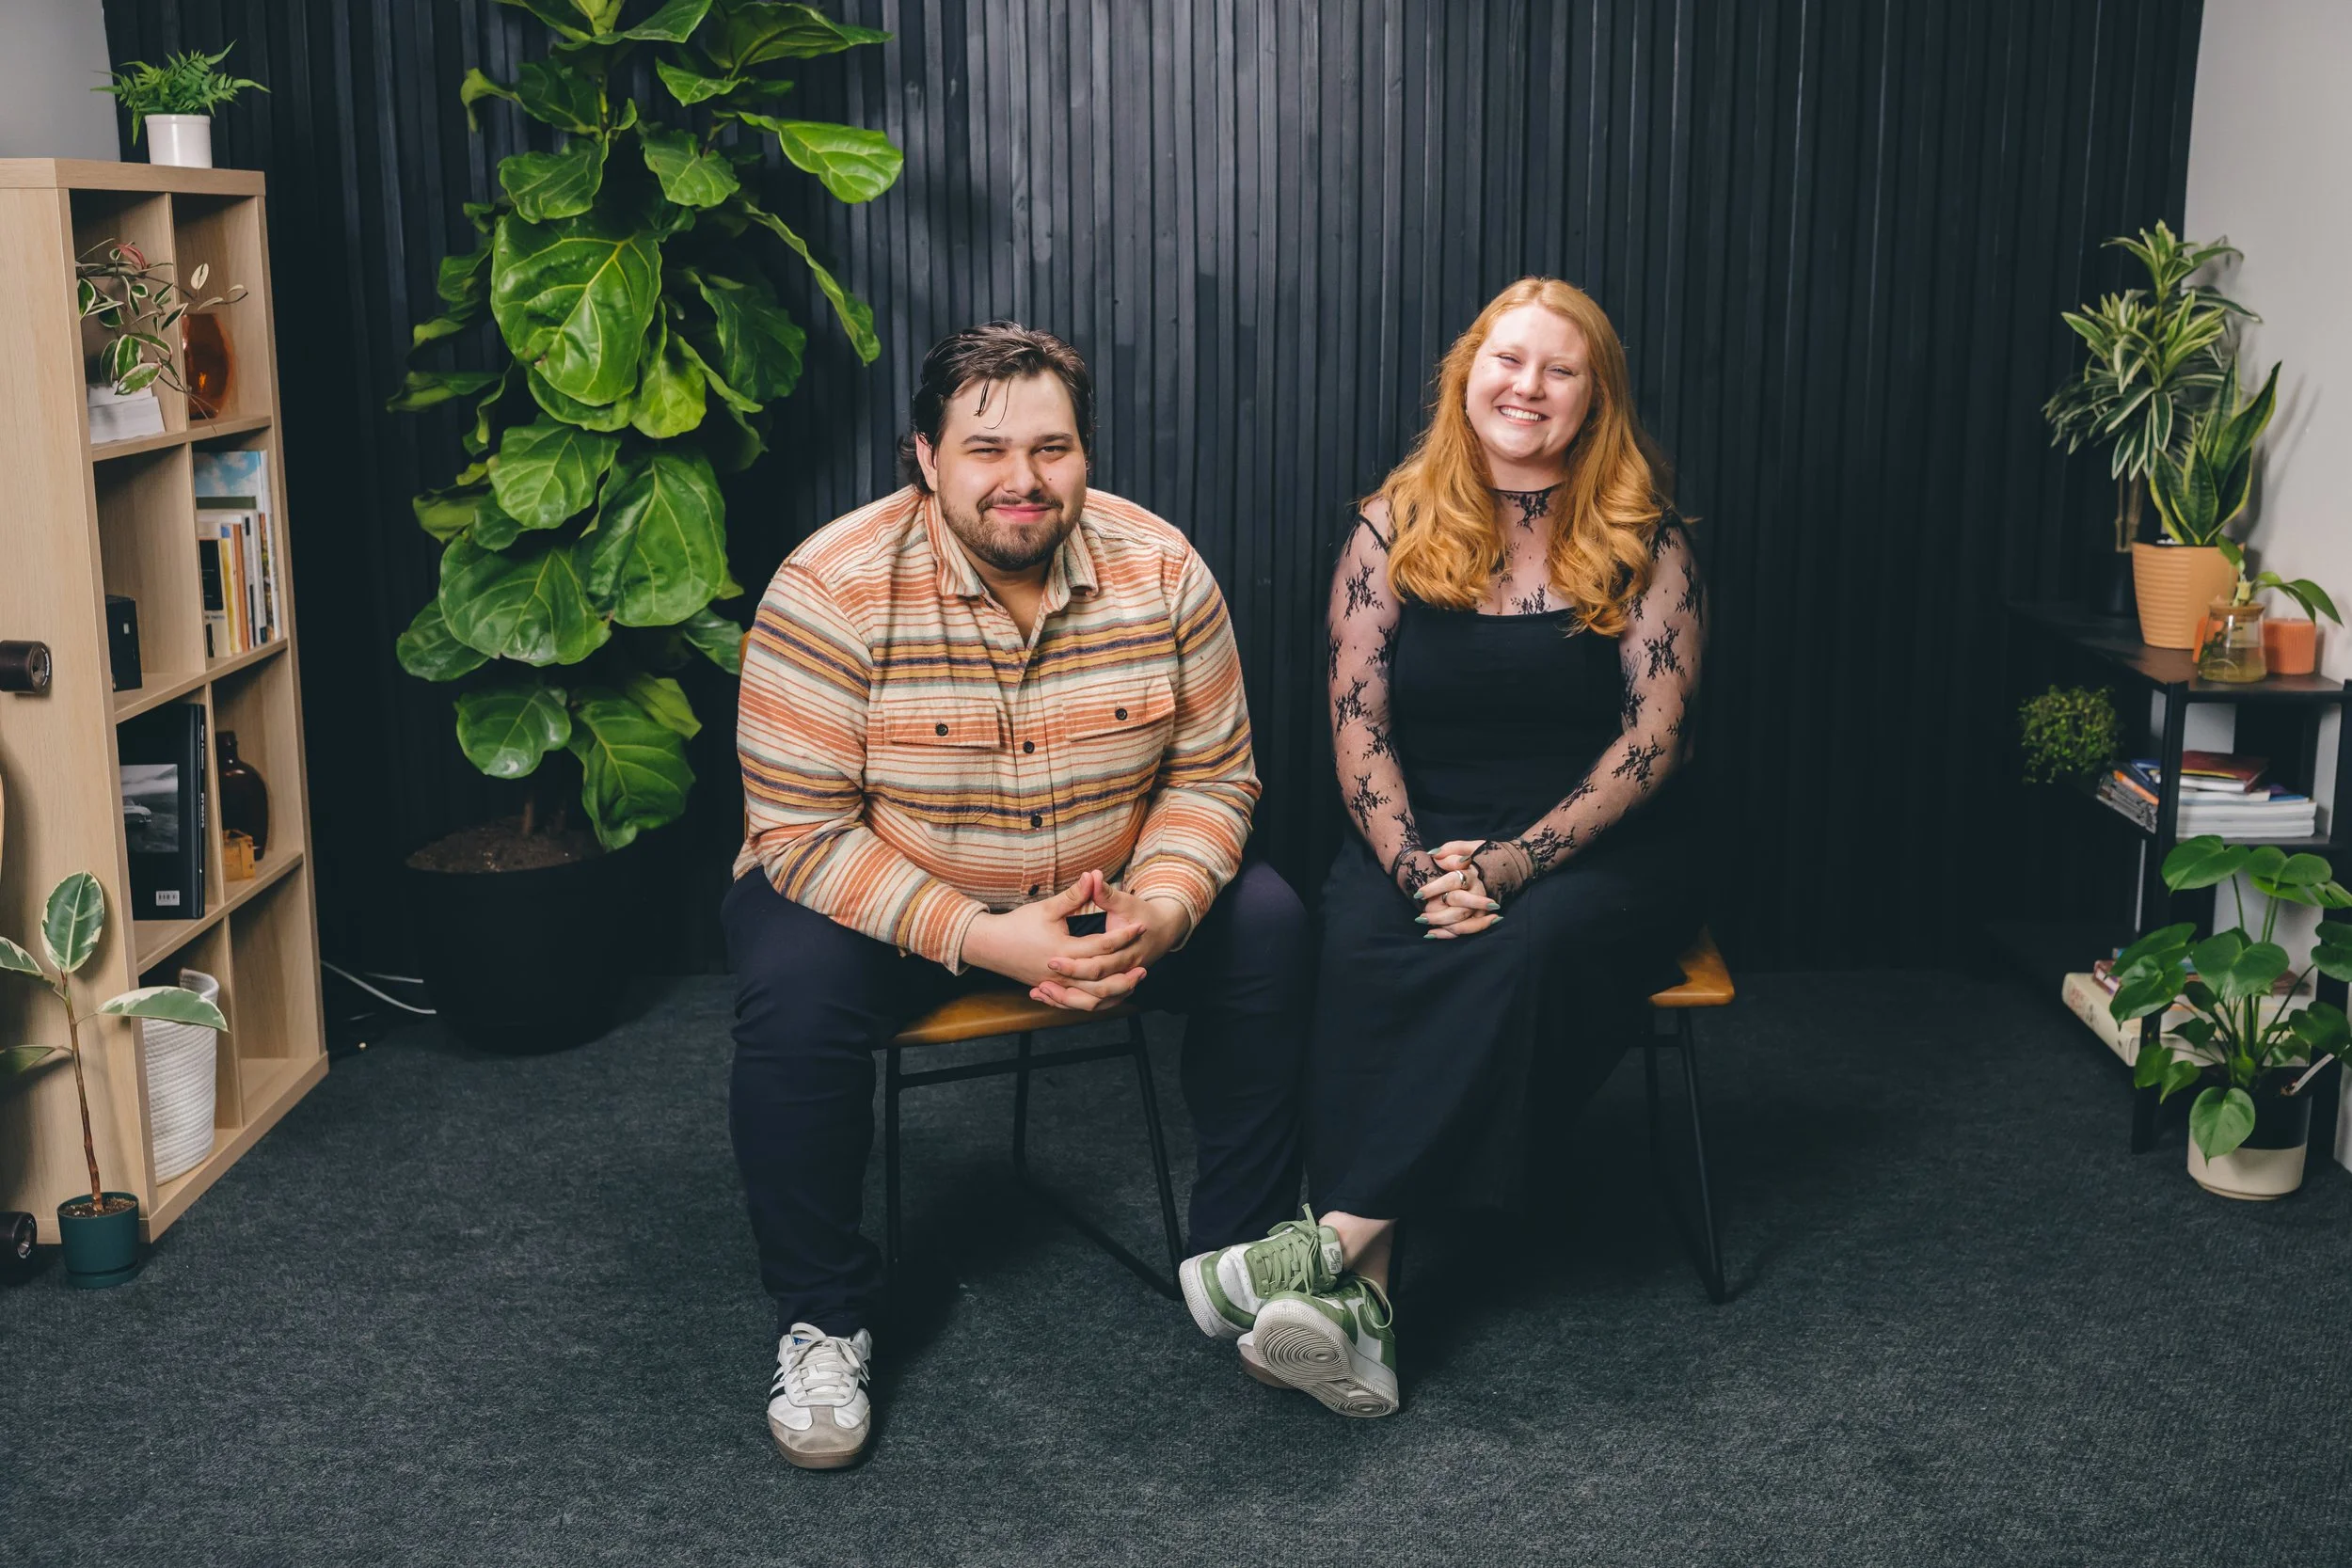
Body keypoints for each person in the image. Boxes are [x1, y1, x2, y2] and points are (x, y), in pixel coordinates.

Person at [725, 322, 1311, 1469]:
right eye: (985, 447)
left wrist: (1162, 904)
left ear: (1084, 455)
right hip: (888, 902)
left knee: (1273, 923)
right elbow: (801, 832)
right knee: (790, 988)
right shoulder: (827, 586)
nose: (1022, 480)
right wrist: (984, 936)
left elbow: (1213, 774)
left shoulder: (1163, 567)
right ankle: (823, 1317)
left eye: (1051, 448)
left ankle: (1238, 1258)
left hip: (1108, 893)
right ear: (925, 456)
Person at [1184, 277, 1708, 1418]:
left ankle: (1322, 1242)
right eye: (1505, 360)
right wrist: (1423, 865)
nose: (1526, 387)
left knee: (1518, 949)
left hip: (1598, 842)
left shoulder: (1642, 538)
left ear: (1594, 397)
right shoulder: (1393, 520)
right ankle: (1357, 1315)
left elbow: (1652, 741)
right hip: (1416, 831)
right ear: (1466, 376)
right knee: (1366, 944)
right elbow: (1357, 724)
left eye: (1557, 369)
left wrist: (1511, 864)